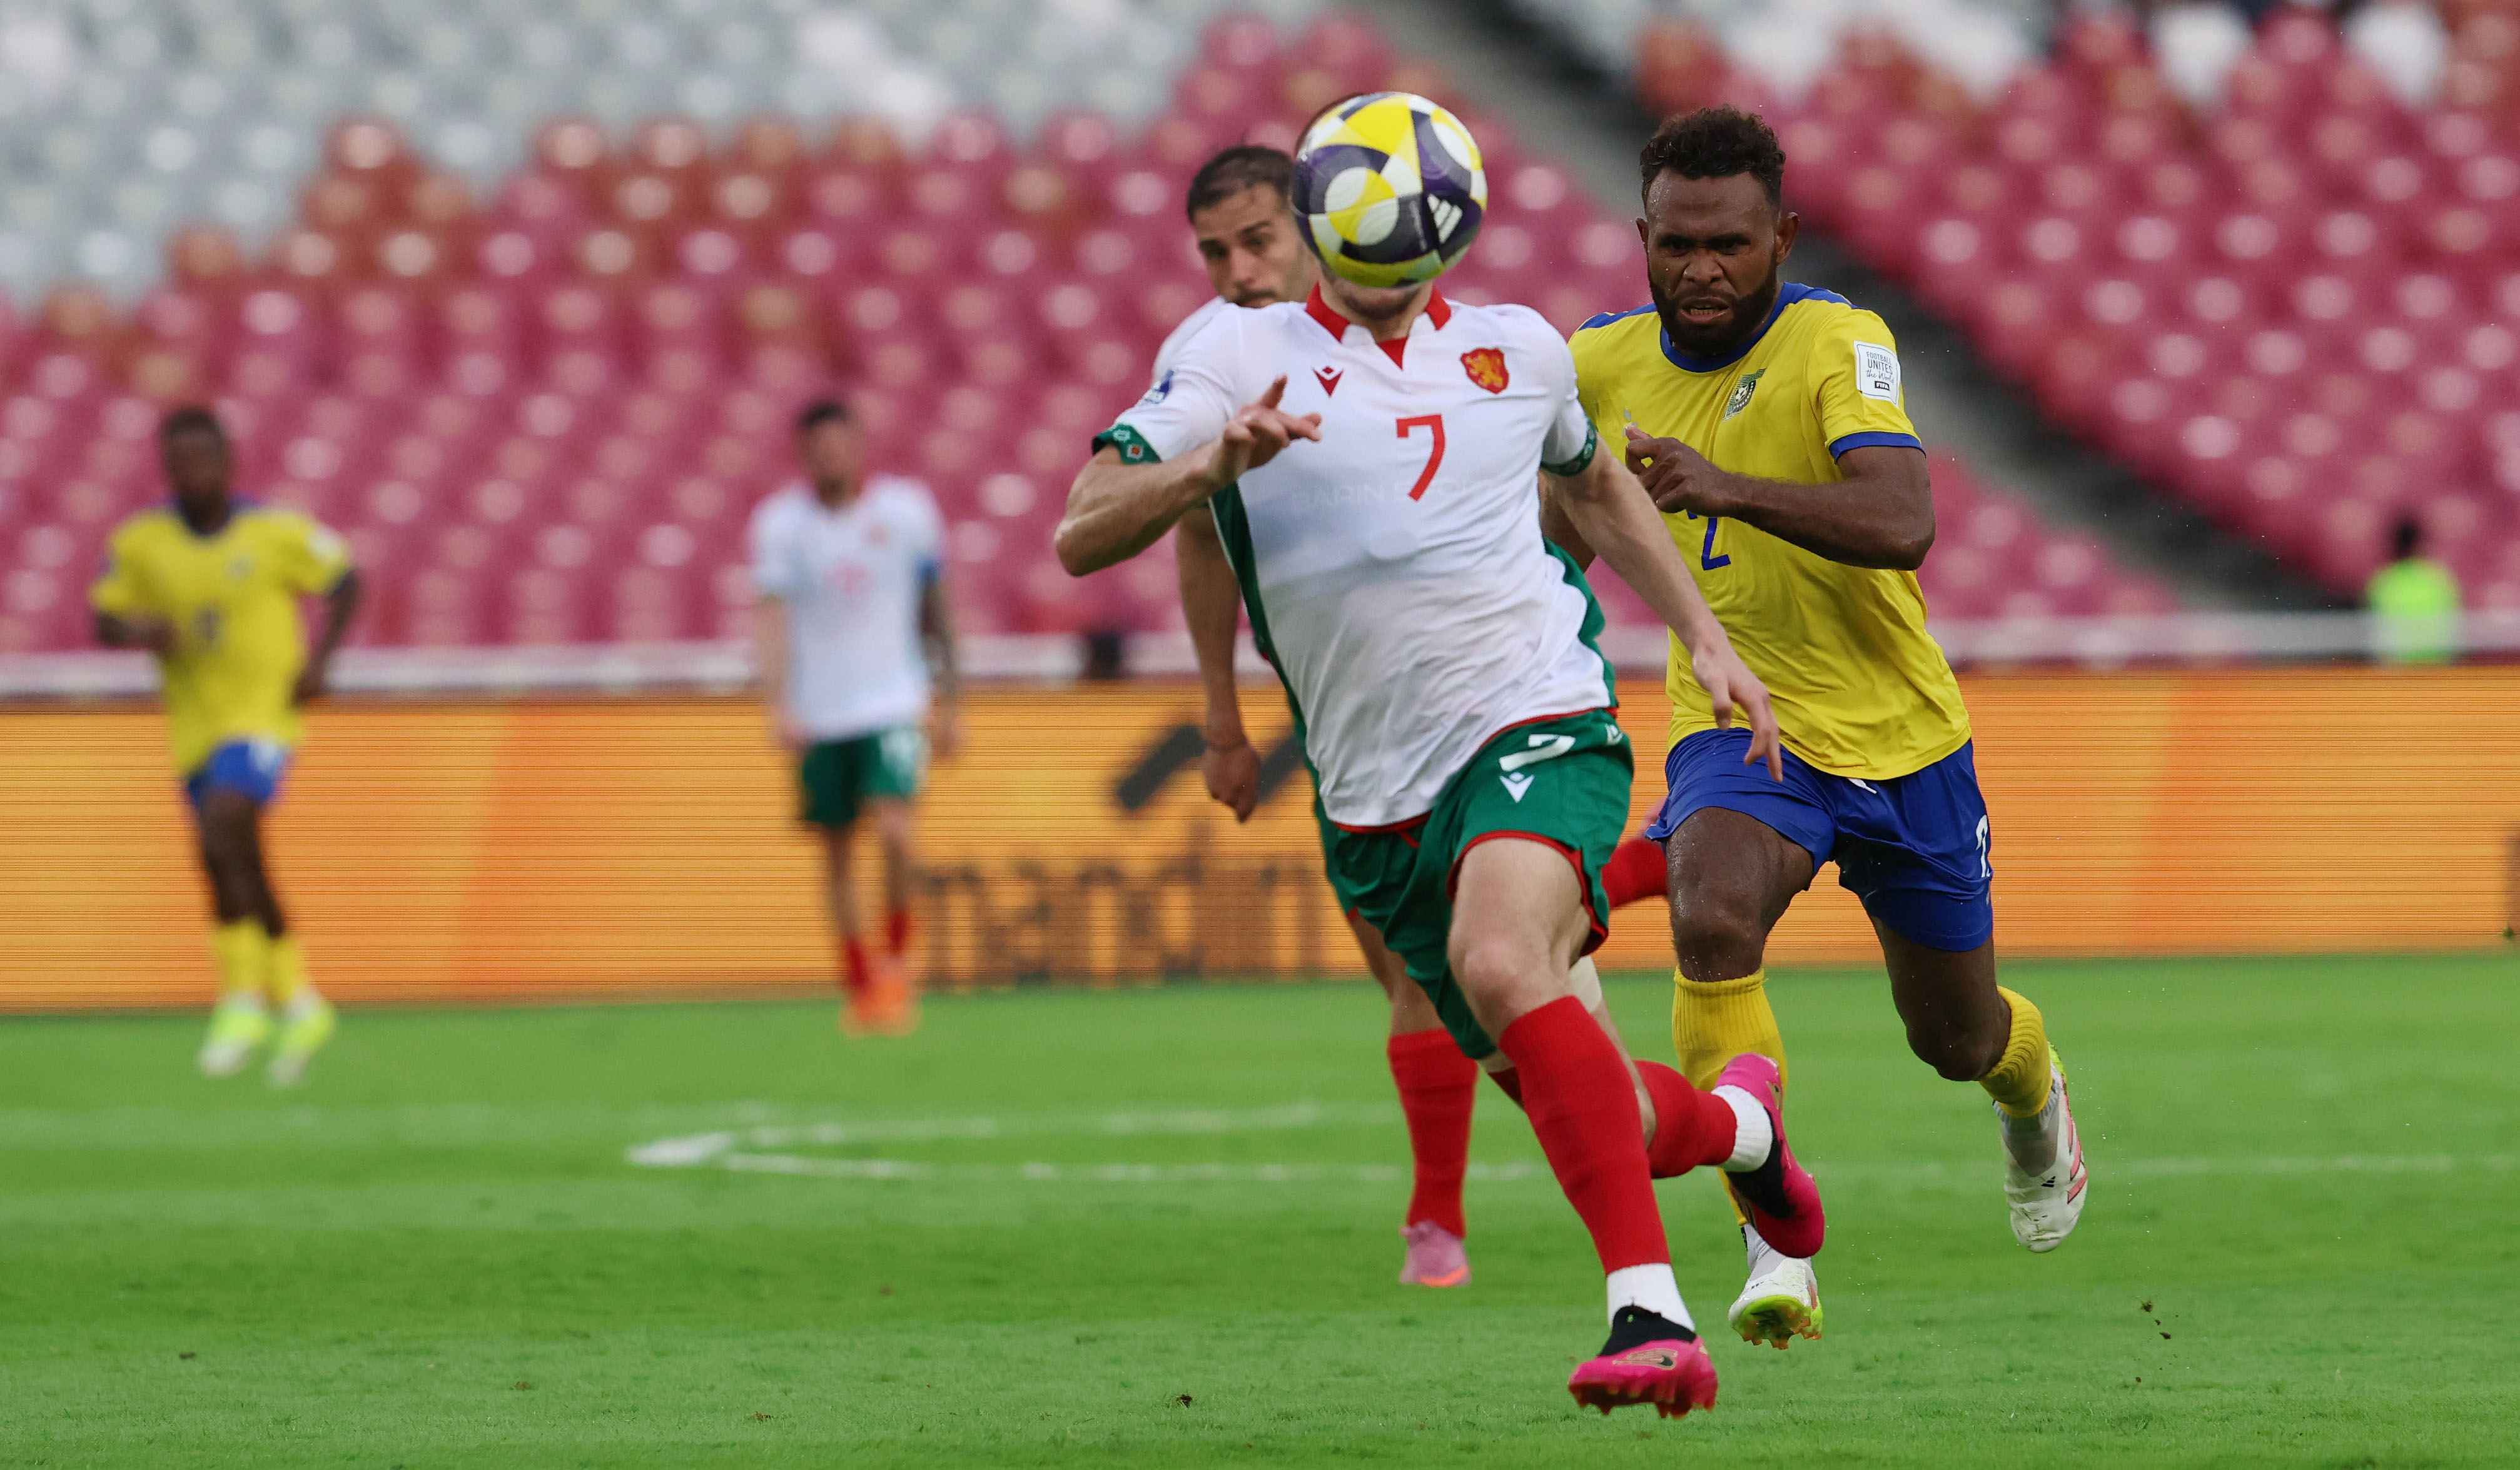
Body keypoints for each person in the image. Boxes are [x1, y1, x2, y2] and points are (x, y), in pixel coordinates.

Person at [1058, 94, 1823, 1418]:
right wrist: (1208, 465)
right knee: (1590, 1103)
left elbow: (1590, 485)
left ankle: (1648, 1309)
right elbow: (1081, 530)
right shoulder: (1230, 354)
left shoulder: (1520, 350)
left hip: (1536, 715)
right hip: (1368, 789)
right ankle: (1743, 1128)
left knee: (1494, 955)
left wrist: (1703, 635)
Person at [1555, 106, 2089, 1349]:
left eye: (1730, 243)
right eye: (1677, 243)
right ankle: (1769, 1233)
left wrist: (1720, 483)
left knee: (1953, 1036)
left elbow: (1902, 517)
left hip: (1902, 742)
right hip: (1742, 726)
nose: (1701, 269)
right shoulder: (1595, 364)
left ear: (1780, 234)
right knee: (1708, 911)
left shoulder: (1838, 340)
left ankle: (2031, 1092)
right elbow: (1553, 524)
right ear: (1641, 235)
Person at [1163, 142, 1494, 1289]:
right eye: (1214, 251)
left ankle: (1437, 1219)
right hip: (1343, 722)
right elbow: (1199, 535)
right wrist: (1219, 717)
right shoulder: (1226, 376)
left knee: (1486, 959)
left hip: (1479, 698)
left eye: (1257, 239)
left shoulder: (1439, 353)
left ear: (1314, 229)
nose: (1238, 270)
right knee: (1418, 973)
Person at [91, 405, 360, 1086]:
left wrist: (320, 662)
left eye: (205, 459)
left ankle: (241, 1000)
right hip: (194, 721)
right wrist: (136, 632)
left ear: (228, 462)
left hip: (266, 712)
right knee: (223, 856)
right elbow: (103, 615)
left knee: (228, 821)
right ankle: (296, 999)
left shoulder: (273, 532)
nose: (194, 473)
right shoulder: (143, 542)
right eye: (181, 462)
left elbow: (346, 580)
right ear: (166, 468)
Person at [751, 398, 960, 1036]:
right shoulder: (781, 525)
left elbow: (937, 606)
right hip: (822, 709)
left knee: (896, 830)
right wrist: (778, 702)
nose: (832, 456)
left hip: (895, 699)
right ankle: (860, 982)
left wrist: (952, 700)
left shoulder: (906, 512)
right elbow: (773, 616)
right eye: (819, 446)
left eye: (841, 443)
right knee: (838, 852)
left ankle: (896, 963)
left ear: (860, 444)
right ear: (804, 452)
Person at [2366, 515, 2461, 665]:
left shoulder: (2383, 581)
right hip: (2435, 666)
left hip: (2399, 667)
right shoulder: (2439, 578)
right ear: (2421, 544)